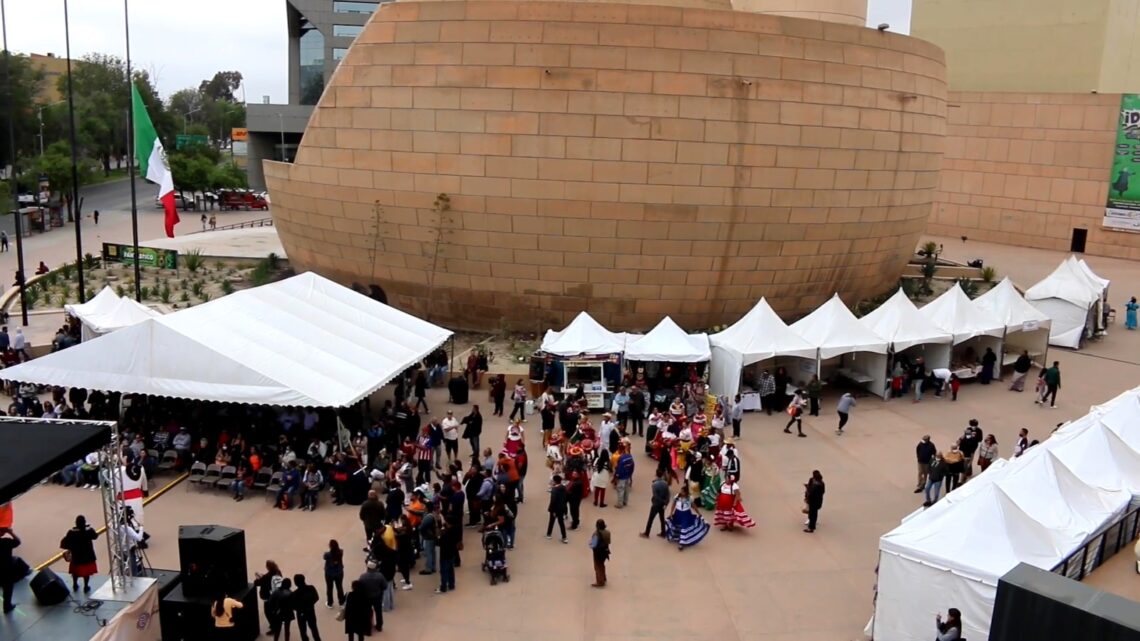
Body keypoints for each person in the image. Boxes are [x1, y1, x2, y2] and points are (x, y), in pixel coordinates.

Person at [60, 515, 98, 593]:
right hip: (88, 556)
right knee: (86, 573)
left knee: (75, 572)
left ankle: (75, 584)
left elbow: (63, 543)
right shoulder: (89, 531)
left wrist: (71, 547)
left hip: (76, 556)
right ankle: (86, 586)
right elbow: (95, 536)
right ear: (84, 522)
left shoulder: (71, 533)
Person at [664, 484, 709, 550]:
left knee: (684, 527)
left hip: (686, 514)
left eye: (683, 491)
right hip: (678, 513)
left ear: (686, 492)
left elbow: (694, 506)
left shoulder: (690, 498)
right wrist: (671, 513)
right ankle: (677, 537)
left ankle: (681, 543)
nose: (681, 492)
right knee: (677, 525)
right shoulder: (677, 497)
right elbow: (673, 504)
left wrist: (699, 513)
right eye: (681, 491)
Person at [255, 560, 285, 633]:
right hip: (276, 596)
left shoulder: (266, 577)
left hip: (268, 597)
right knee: (274, 611)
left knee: (268, 613)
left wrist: (258, 578)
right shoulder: (278, 572)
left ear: (268, 567)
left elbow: (257, 583)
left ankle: (274, 627)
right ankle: (276, 624)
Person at [640, 468, 670, 538]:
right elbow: (668, 494)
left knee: (651, 519)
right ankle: (663, 532)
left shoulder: (654, 484)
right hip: (662, 504)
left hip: (656, 504)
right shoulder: (665, 483)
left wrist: (661, 501)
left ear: (656, 474)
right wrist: (665, 502)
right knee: (662, 518)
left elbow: (655, 496)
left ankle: (647, 533)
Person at [357, 561, 386, 631]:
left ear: (368, 568)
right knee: (378, 612)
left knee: (367, 612)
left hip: (366, 597)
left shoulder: (363, 576)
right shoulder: (380, 576)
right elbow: (385, 586)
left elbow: (359, 587)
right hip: (377, 596)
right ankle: (379, 626)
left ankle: (368, 626)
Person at [292, 575, 321, 641]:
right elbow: (316, 597)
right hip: (310, 611)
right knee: (314, 629)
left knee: (303, 631)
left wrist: (300, 609)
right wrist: (310, 605)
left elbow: (293, 606)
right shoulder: (311, 588)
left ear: (295, 583)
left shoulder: (295, 593)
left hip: (301, 614)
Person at [435, 515, 459, 594]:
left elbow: (440, 543)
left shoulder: (446, 533)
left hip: (445, 554)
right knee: (450, 569)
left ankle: (443, 587)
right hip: (452, 553)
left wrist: (439, 536)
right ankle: (451, 584)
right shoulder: (454, 530)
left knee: (444, 571)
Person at [267, 577, 295, 641]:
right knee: (287, 629)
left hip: (278, 613)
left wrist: (273, 610)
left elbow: (270, 602)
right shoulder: (291, 593)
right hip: (288, 613)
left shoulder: (276, 592)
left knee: (277, 630)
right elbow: (293, 605)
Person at [546, 474, 569, 543]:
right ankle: (564, 537)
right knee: (561, 522)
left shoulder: (554, 490)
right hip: (561, 508)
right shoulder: (564, 488)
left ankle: (549, 534)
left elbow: (553, 501)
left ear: (555, 481)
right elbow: (566, 497)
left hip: (555, 509)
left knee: (551, 521)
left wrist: (551, 509)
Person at [323, 540, 346, 608]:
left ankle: (330, 603)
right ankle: (341, 601)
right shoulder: (341, 551)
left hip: (329, 573)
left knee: (329, 588)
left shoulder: (327, 554)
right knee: (339, 587)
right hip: (339, 572)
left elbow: (324, 557)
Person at [589, 519, 611, 588]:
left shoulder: (596, 534)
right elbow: (609, 542)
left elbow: (593, 545)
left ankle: (600, 581)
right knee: (602, 565)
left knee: (597, 566)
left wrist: (590, 543)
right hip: (605, 551)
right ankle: (604, 577)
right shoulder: (608, 532)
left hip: (597, 552)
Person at [0, 528, 18, 613]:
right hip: (6, 570)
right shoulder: (6, 542)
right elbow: (18, 541)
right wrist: (10, 532)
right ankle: (7, 606)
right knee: (8, 589)